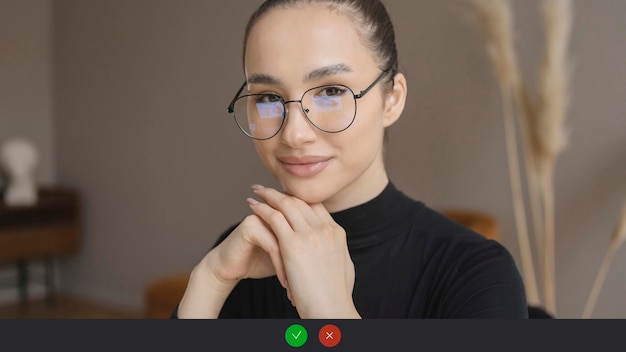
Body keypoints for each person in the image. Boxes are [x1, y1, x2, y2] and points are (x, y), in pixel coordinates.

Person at [175, 0, 528, 319]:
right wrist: (210, 280)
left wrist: (329, 310)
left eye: (331, 92)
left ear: (392, 99)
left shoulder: (476, 275)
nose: (294, 134)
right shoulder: (242, 253)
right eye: (267, 97)